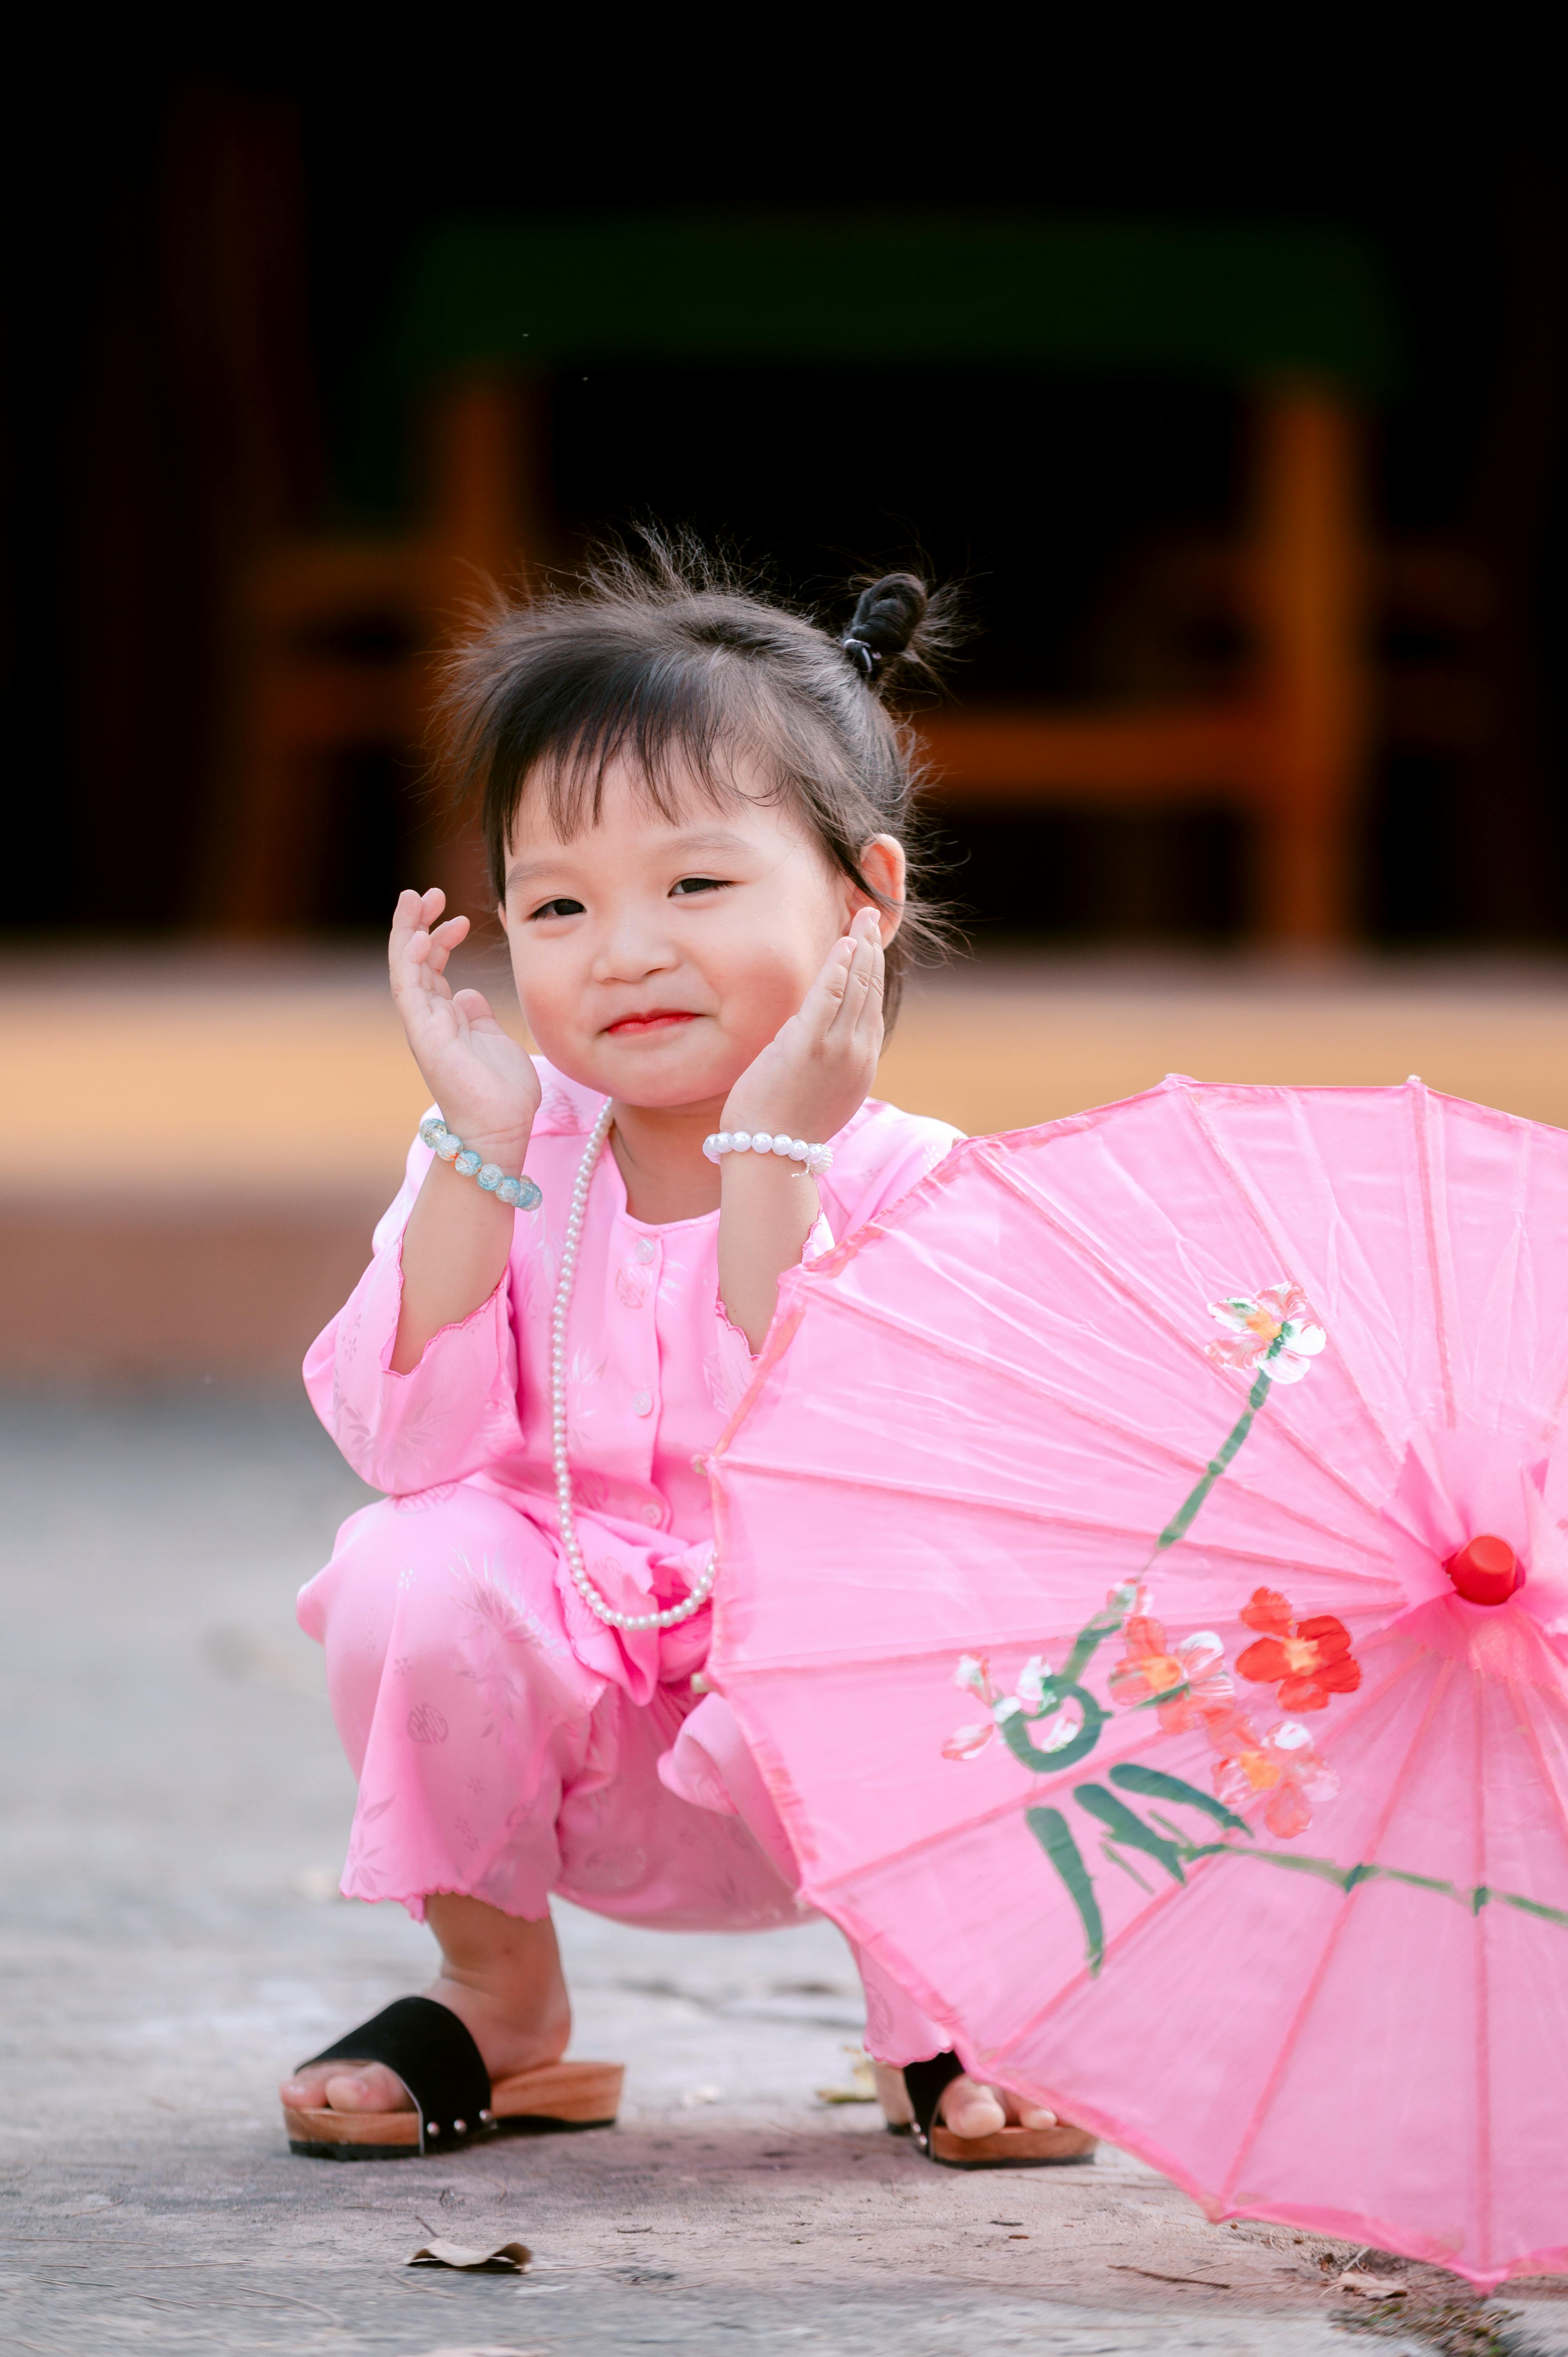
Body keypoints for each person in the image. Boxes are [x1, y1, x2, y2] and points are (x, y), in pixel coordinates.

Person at [279, 541, 1093, 2169]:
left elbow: (864, 1470)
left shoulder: (919, 1181)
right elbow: (403, 1437)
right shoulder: (520, 1151)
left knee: (911, 1582)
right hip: (577, 1728)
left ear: (862, 899)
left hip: (836, 1762)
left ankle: (939, 2006)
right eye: (559, 906)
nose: (624, 950)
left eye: (696, 887)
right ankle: (499, 1998)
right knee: (404, 1562)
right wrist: (475, 1142)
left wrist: (772, 1157)